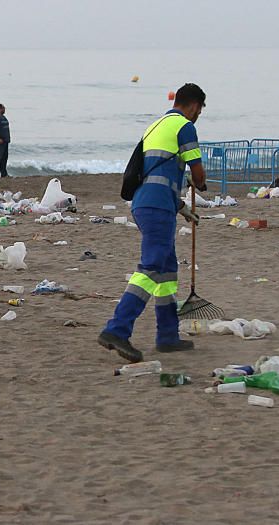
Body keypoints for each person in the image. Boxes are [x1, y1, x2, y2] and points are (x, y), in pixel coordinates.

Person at [98, 83, 207, 362]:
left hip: (147, 203)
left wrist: (183, 209)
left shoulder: (156, 126)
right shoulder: (185, 126)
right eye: (199, 111)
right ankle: (117, 329)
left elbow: (160, 177)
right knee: (151, 267)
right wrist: (199, 182)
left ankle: (168, 336)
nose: (197, 116)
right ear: (194, 105)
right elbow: (198, 173)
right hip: (157, 206)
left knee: (167, 271)